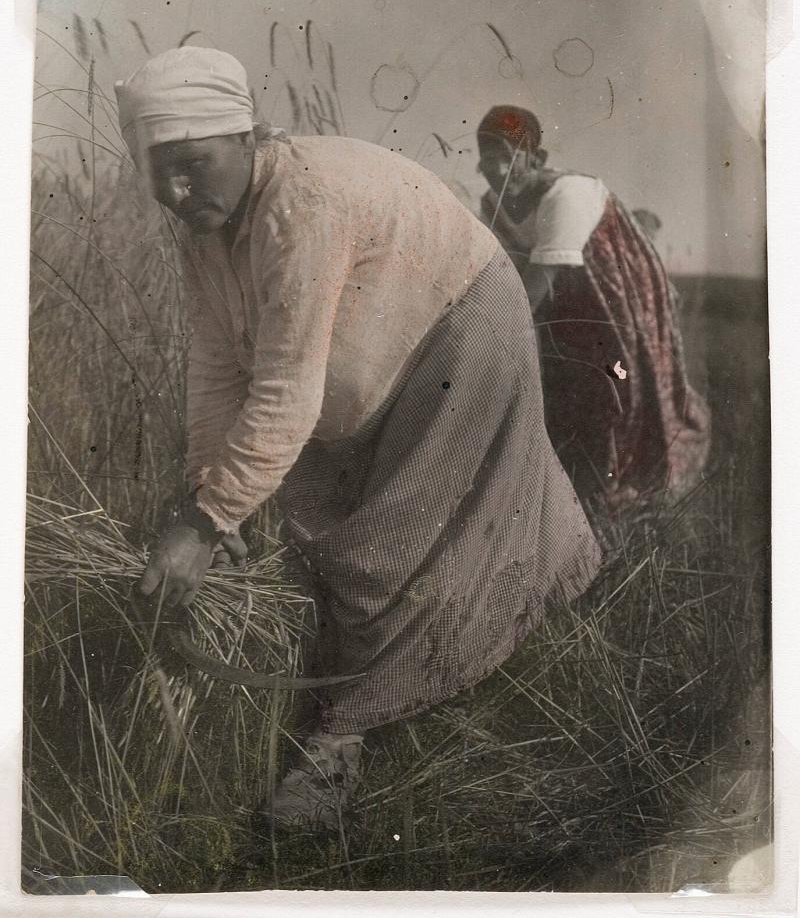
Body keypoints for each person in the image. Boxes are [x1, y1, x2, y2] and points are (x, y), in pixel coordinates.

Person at [114, 50, 602, 833]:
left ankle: (338, 743)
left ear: (244, 139)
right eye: (159, 171)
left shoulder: (299, 200)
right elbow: (213, 371)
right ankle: (401, 673)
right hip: (388, 348)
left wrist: (205, 522)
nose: (176, 191)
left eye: (194, 166)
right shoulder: (205, 232)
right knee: (319, 522)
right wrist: (212, 491)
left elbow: (286, 387)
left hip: (460, 325)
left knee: (392, 541)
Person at [476, 105, 710, 511]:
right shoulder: (492, 202)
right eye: (487, 156)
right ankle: (573, 481)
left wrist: (490, 336)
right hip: (562, 299)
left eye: (507, 155)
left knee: (621, 381)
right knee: (562, 386)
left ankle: (628, 482)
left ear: (535, 157)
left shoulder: (568, 193)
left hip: (612, 295)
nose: (497, 168)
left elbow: (537, 281)